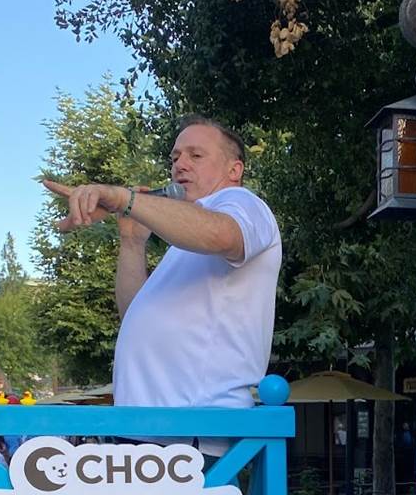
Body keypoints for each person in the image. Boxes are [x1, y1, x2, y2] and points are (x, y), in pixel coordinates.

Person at [41, 116, 281, 415]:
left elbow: (222, 234)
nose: (180, 165)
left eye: (196, 155)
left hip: (194, 424)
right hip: (148, 424)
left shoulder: (242, 203)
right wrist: (132, 241)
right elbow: (133, 315)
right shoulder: (185, 241)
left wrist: (123, 198)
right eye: (175, 157)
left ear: (234, 170)